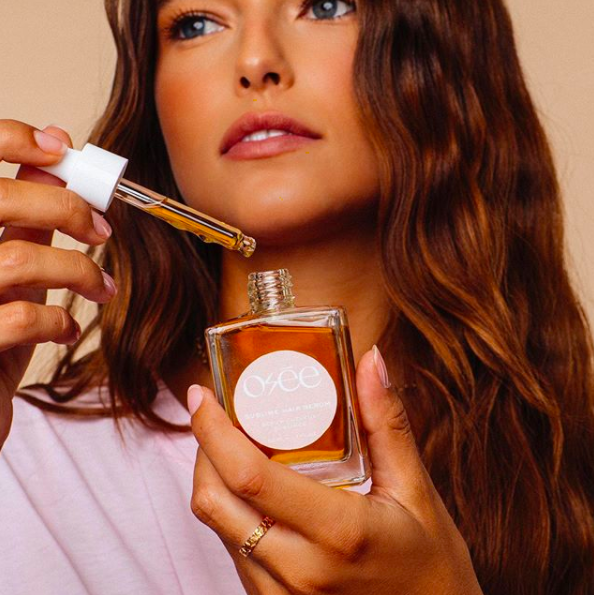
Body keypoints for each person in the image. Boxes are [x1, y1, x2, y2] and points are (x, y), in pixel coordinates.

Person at [1, 0, 593, 593]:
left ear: (442, 53)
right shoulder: (20, 465)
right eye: (197, 23)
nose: (257, 62)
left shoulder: (571, 460)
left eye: (327, 5)